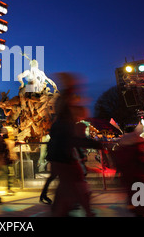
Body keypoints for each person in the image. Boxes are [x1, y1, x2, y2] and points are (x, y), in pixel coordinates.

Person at [47, 72, 103, 217]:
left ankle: (60, 210)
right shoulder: (66, 122)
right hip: (64, 157)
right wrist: (97, 145)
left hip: (59, 156)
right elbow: (73, 139)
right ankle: (84, 211)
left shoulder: (60, 122)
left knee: (68, 186)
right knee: (76, 183)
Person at [113, 124, 144, 217]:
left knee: (137, 202)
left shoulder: (122, 144)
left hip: (130, 177)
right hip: (138, 177)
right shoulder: (137, 143)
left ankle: (138, 210)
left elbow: (119, 162)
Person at [0, 123, 17, 196]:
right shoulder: (5, 141)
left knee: (9, 173)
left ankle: (9, 188)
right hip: (7, 159)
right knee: (9, 173)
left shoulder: (6, 140)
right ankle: (8, 188)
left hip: (8, 159)